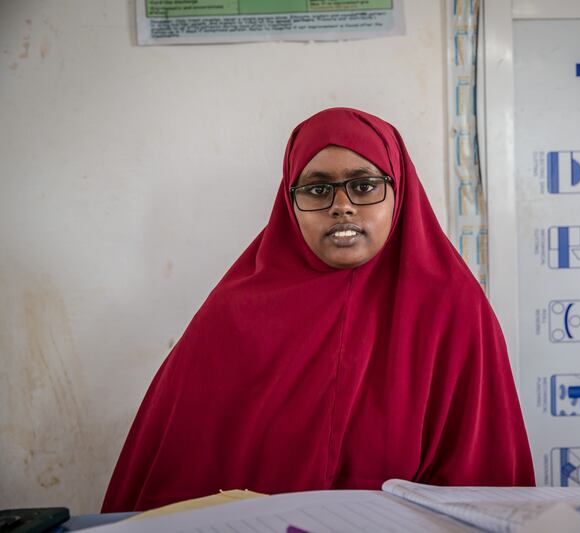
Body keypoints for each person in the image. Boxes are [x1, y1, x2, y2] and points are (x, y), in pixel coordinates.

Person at [102, 108, 534, 512]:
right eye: (316, 188)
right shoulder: (235, 312)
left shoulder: (452, 308)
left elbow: (482, 477)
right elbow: (176, 479)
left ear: (398, 191)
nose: (341, 205)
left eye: (364, 185)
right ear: (290, 202)